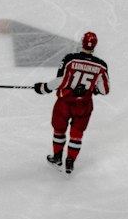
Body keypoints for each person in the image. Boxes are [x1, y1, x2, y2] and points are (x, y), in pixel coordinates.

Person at [35, 31, 109, 174]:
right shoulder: (101, 66)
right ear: (94, 46)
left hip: (65, 102)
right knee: (77, 134)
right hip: (84, 105)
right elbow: (105, 90)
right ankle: (70, 161)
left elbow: (60, 81)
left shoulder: (70, 59)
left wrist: (43, 88)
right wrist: (93, 89)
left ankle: (57, 158)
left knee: (59, 130)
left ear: (82, 43)